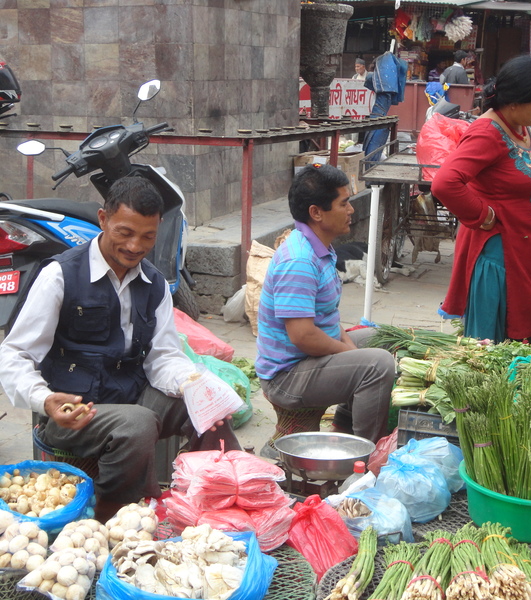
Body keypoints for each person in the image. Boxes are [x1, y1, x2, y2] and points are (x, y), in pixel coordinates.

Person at [0, 177, 240, 522]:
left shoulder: (154, 283)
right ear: (103, 219)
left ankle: (217, 502)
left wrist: (198, 387)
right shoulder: (60, 275)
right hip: (74, 412)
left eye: (147, 236)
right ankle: (112, 517)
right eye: (125, 232)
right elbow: (14, 354)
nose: (135, 246)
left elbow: (164, 357)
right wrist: (43, 399)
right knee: (138, 423)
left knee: (208, 413)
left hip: (130, 395)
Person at [431, 55, 531, 343]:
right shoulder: (486, 132)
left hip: (528, 246)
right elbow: (445, 183)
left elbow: (511, 178)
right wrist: (485, 216)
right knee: (496, 342)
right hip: (501, 254)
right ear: (514, 102)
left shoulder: (524, 123)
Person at [255, 164, 395, 444]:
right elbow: (303, 336)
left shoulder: (321, 248)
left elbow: (327, 316)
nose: (351, 210)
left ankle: (345, 425)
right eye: (343, 203)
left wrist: (350, 349)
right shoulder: (299, 261)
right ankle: (366, 455)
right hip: (287, 376)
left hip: (309, 360)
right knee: (378, 365)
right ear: (316, 213)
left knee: (383, 339)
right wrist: (347, 352)